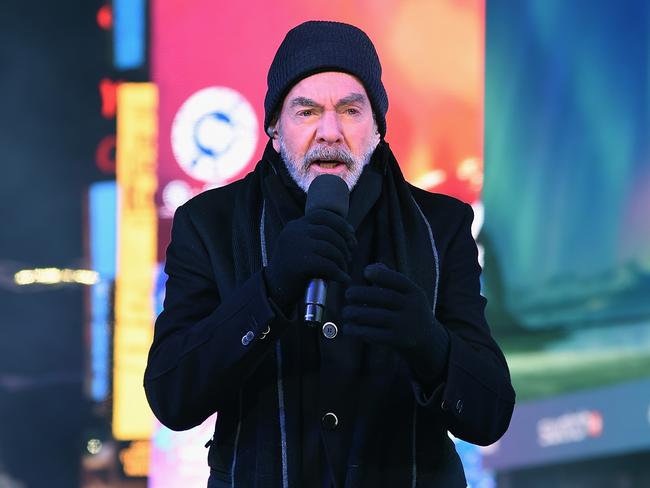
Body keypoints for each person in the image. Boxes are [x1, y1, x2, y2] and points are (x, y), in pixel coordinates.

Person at [144, 20, 515, 488]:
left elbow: (491, 415)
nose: (330, 132)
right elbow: (172, 397)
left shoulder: (440, 225)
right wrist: (270, 290)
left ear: (377, 127)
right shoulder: (209, 223)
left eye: (350, 110)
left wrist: (431, 346)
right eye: (307, 111)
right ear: (275, 128)